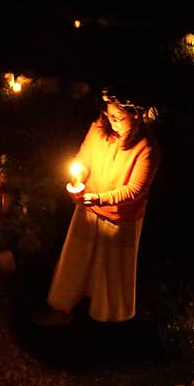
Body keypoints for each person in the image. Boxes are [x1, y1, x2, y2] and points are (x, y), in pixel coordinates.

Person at [35, 89, 160, 325]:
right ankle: (62, 307)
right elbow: (84, 157)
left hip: (119, 217)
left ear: (137, 116)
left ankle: (108, 318)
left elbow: (134, 190)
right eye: (109, 115)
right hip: (89, 207)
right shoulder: (99, 127)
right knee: (75, 260)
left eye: (118, 118)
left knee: (111, 270)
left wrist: (99, 198)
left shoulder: (147, 149)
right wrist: (79, 177)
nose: (111, 121)